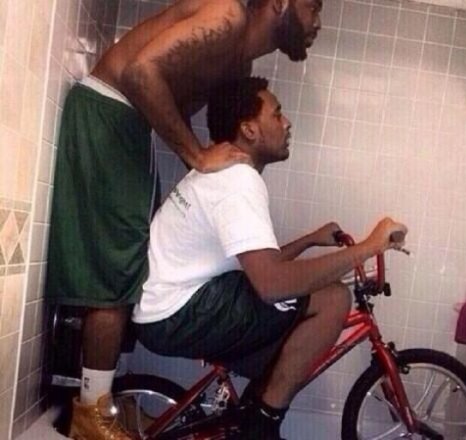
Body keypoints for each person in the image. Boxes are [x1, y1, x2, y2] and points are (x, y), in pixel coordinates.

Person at [46, 0, 323, 438]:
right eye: (313, 8)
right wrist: (196, 156)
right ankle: (90, 414)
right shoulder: (227, 16)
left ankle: (100, 402)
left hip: (128, 127)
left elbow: (182, 109)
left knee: (126, 270)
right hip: (110, 112)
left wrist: (212, 169)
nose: (317, 23)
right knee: (115, 277)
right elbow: (140, 73)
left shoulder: (240, 62)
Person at [132, 77, 408, 439]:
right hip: (176, 314)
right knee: (332, 298)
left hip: (167, 306)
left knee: (297, 301)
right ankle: (263, 423)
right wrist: (371, 246)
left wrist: (309, 241)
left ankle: (255, 406)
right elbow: (272, 284)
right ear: (249, 129)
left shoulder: (222, 172)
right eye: (277, 114)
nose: (287, 123)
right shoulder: (238, 182)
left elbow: (262, 265)